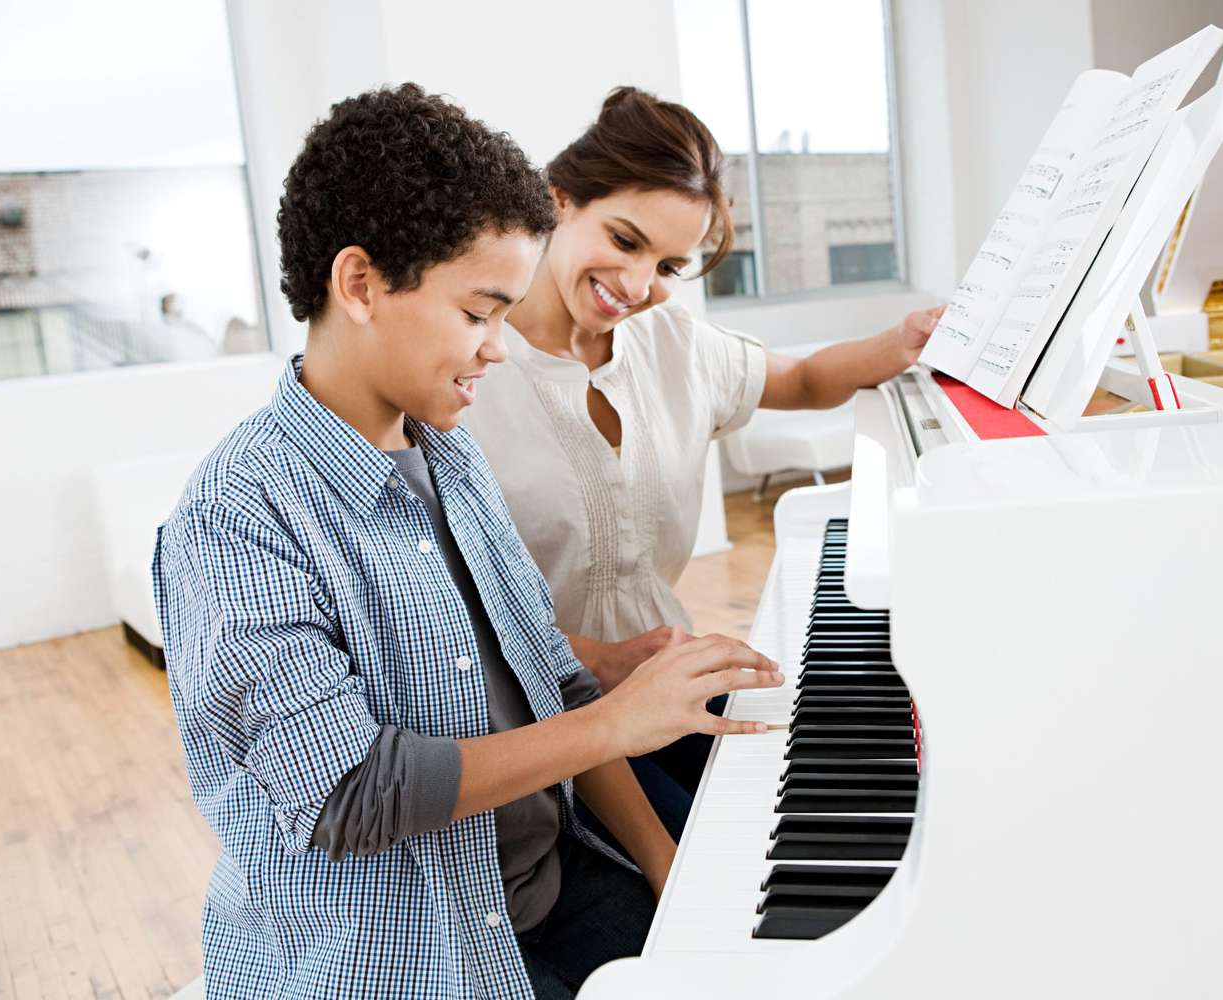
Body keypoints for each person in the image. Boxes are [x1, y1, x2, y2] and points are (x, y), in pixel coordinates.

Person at [152, 84, 782, 1000]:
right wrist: (616, 718)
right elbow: (351, 793)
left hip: (546, 884)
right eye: (479, 312)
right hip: (403, 955)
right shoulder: (238, 517)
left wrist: (666, 870)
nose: (498, 348)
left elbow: (552, 688)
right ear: (360, 283)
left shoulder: (448, 454)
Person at [463, 87, 942, 823]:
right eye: (625, 241)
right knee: (699, 859)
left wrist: (900, 343)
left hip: (667, 681)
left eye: (667, 266)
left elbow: (807, 379)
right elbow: (447, 607)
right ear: (559, 202)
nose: (638, 286)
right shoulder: (467, 367)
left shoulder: (675, 344)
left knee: (818, 794)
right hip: (535, 717)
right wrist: (595, 656)